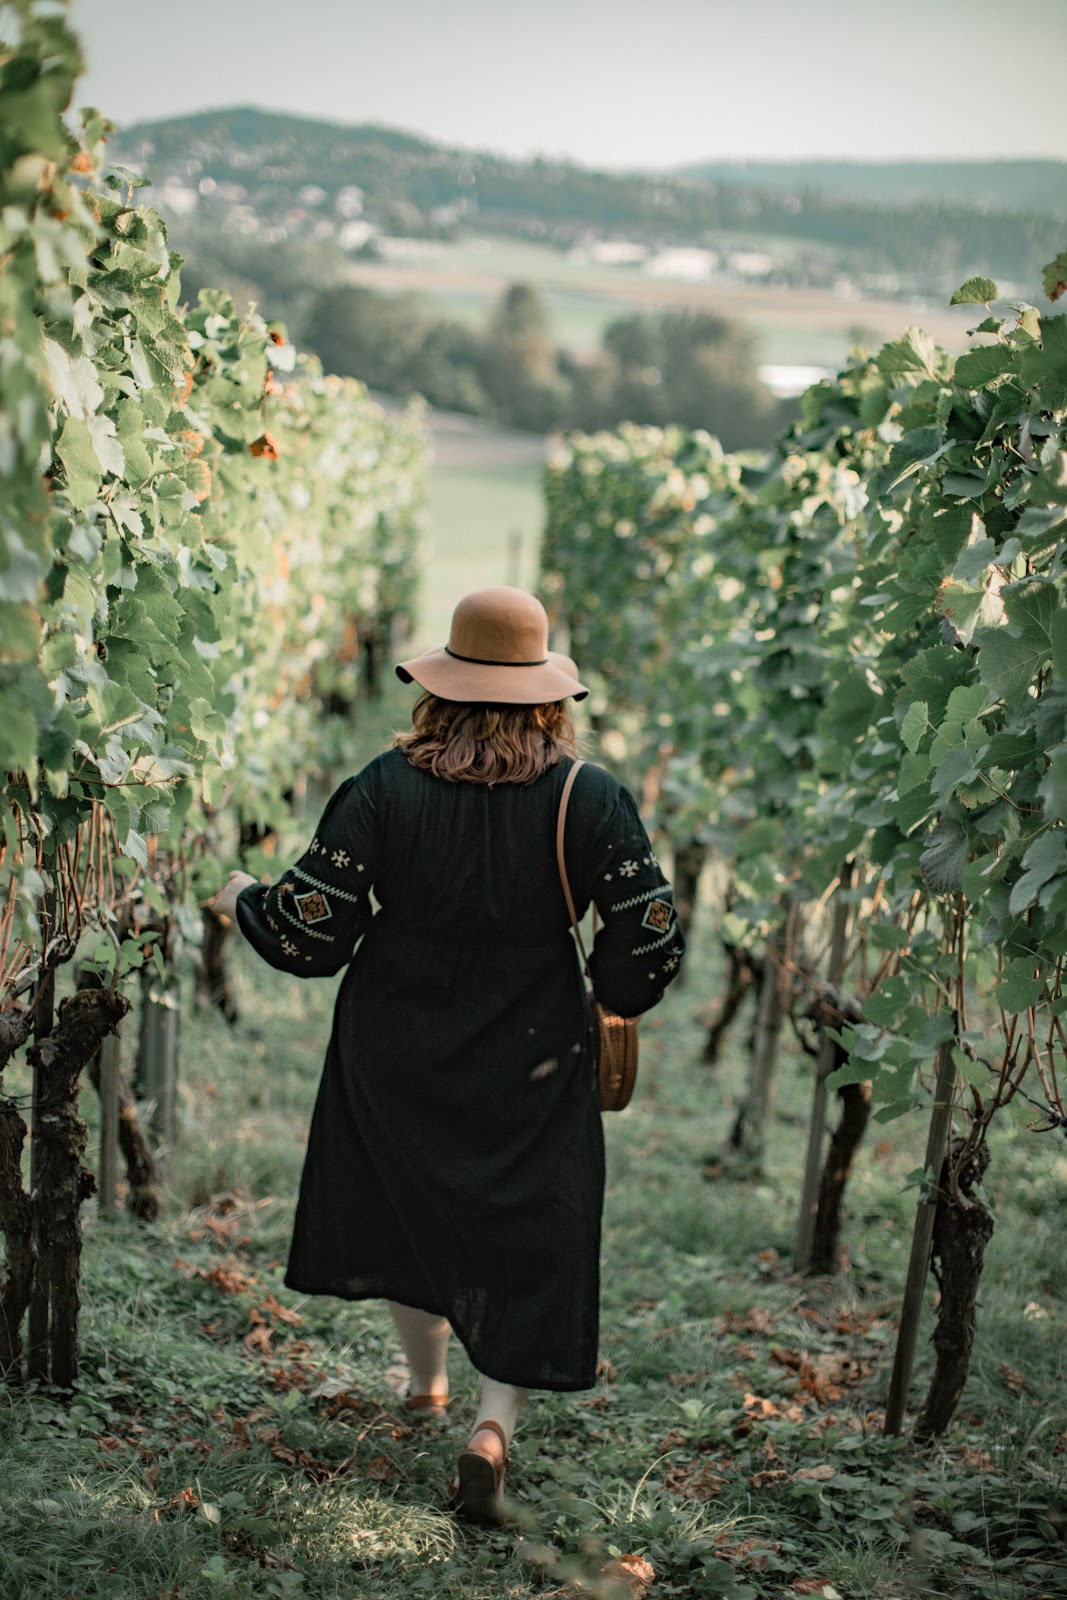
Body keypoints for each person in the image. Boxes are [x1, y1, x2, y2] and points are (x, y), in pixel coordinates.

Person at [212, 586, 685, 1524]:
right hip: (534, 1042)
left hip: (395, 1038)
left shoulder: (382, 788)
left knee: (409, 1202)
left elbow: (313, 932)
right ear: (548, 696)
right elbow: (648, 940)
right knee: (523, 1221)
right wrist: (609, 993)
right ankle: (488, 1427)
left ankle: (422, 1384)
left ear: (440, 687)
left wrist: (240, 898)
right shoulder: (588, 796)